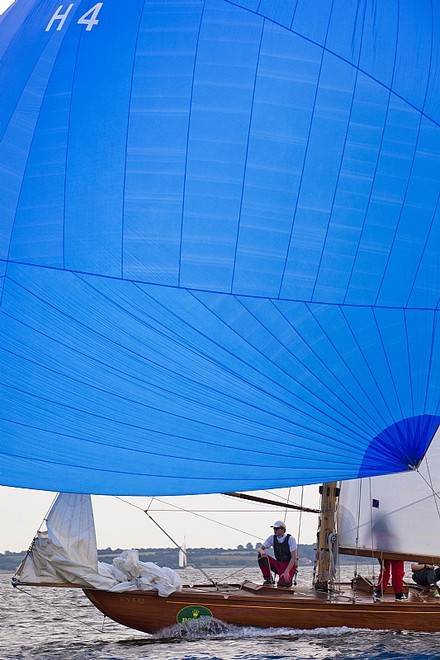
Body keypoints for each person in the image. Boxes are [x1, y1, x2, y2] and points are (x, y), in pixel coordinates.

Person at [257, 520, 297, 587]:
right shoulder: (272, 538)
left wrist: (286, 572)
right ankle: (268, 579)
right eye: (274, 528)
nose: (275, 530)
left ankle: (284, 579)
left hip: (288, 565)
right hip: (278, 563)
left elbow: (294, 557)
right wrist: (262, 552)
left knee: (283, 584)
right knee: (261, 557)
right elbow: (259, 549)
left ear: (283, 529)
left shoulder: (291, 539)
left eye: (277, 528)